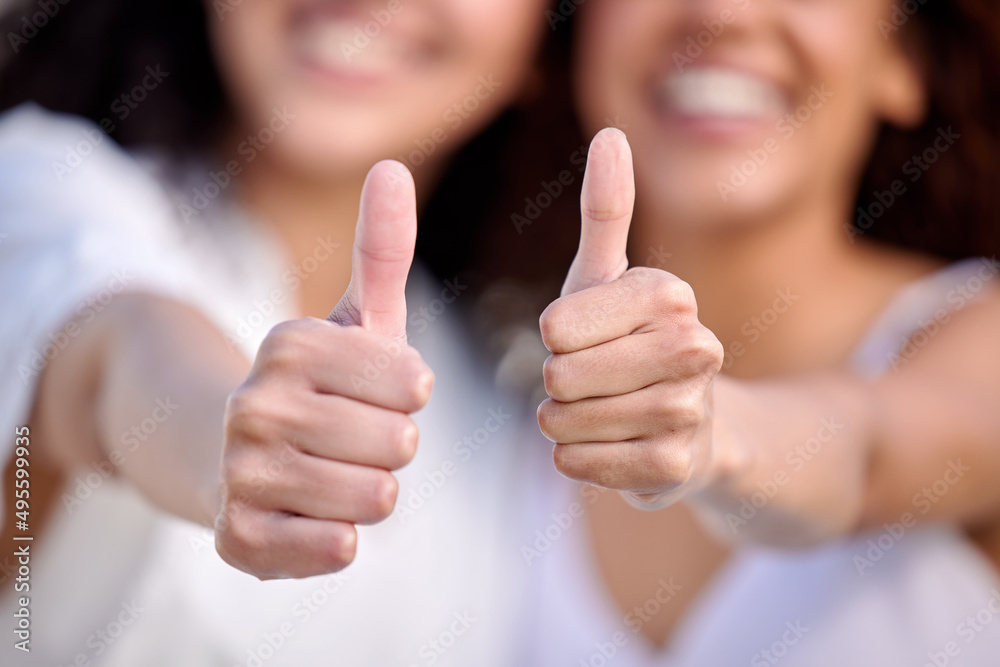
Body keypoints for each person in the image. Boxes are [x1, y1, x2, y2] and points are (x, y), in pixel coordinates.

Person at [0, 0, 552, 664]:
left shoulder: (502, 399)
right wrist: (224, 441)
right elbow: (116, 350)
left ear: (544, 43)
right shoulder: (45, 190)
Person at [519, 0, 1000, 664]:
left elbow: (868, 451)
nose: (723, 12)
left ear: (905, 58)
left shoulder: (983, 336)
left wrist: (718, 431)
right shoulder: (501, 394)